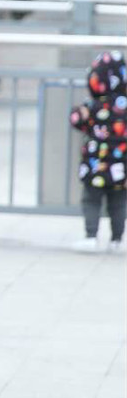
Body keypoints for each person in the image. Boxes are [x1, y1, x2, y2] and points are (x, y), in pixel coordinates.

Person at [69, 49, 127, 253]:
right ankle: (117, 239)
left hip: (95, 165)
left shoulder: (93, 104)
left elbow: (77, 121)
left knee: (91, 200)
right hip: (121, 167)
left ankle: (91, 236)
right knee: (119, 203)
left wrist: (79, 112)